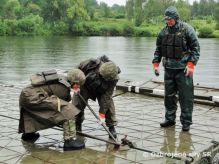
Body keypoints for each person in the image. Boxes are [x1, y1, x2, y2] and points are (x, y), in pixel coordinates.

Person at [152, 6, 200, 131]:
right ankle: (169, 119)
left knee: (186, 97)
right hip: (168, 69)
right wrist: (155, 64)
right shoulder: (163, 32)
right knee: (169, 96)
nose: (168, 21)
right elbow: (158, 49)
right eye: (166, 19)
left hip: (183, 70)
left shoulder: (187, 30)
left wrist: (191, 65)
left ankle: (186, 122)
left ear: (176, 18)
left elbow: (196, 49)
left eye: (170, 19)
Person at [18, 69, 86, 150]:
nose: (78, 87)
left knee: (31, 112)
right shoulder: (63, 87)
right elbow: (64, 101)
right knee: (68, 111)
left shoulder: (62, 79)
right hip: (34, 98)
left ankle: (28, 134)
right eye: (78, 85)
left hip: (25, 96)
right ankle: (70, 140)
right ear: (73, 82)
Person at [72, 55, 120, 139]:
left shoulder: (114, 77)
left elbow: (107, 97)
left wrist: (102, 114)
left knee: (108, 105)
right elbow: (75, 72)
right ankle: (77, 124)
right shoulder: (89, 64)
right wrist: (75, 83)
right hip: (85, 86)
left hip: (102, 90)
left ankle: (111, 127)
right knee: (78, 104)